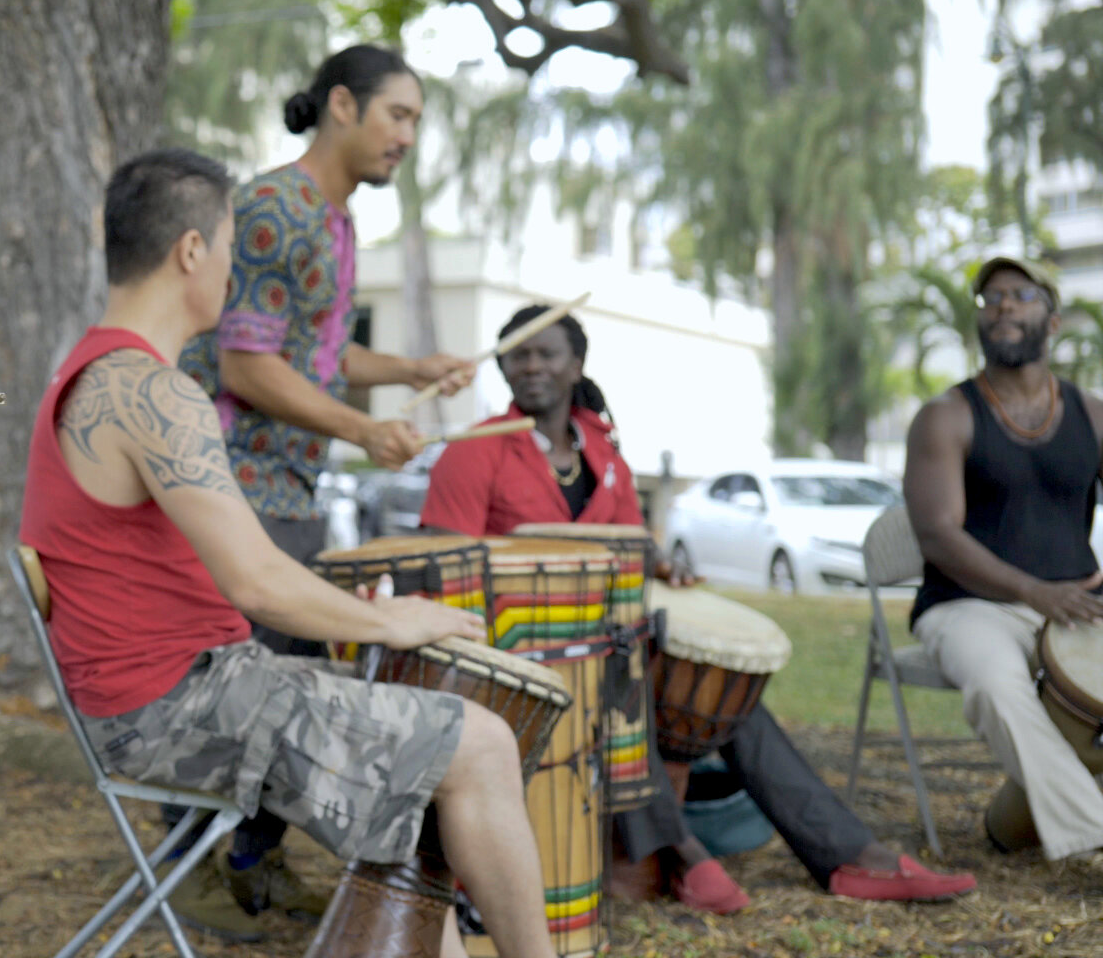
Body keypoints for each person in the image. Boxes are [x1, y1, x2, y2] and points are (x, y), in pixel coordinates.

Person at [23, 147, 555, 958]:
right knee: (480, 744)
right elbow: (260, 583)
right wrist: (394, 623)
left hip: (168, 693)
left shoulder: (93, 369)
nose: (236, 269)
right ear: (191, 251)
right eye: (232, 247)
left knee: (423, 763)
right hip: (171, 709)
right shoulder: (153, 393)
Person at [421, 305, 976, 907]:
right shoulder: (474, 450)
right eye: (517, 353)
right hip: (522, 652)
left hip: (608, 644)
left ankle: (853, 858)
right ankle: (687, 854)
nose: (531, 365)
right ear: (500, 365)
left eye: (545, 352)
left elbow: (631, 546)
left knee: (734, 701)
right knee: (620, 679)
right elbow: (444, 565)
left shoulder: (605, 456)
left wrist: (660, 563)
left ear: (575, 363)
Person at [175, 44, 474, 934]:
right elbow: (246, 361)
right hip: (236, 484)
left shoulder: (336, 222)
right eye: (399, 115)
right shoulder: (273, 208)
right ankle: (186, 869)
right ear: (342, 105)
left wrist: (411, 368)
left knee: (297, 679)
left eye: (417, 121)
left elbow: (322, 354)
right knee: (239, 682)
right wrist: (361, 429)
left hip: (288, 488)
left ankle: (253, 863)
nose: (408, 137)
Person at [905, 256, 1103, 862]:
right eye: (991, 299)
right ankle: (1095, 837)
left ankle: (1011, 824)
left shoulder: (1094, 415)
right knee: (996, 685)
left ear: (1054, 320)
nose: (1005, 307)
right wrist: (1034, 591)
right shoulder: (946, 416)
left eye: (1021, 295)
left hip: (1074, 606)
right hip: (969, 607)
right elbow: (937, 534)